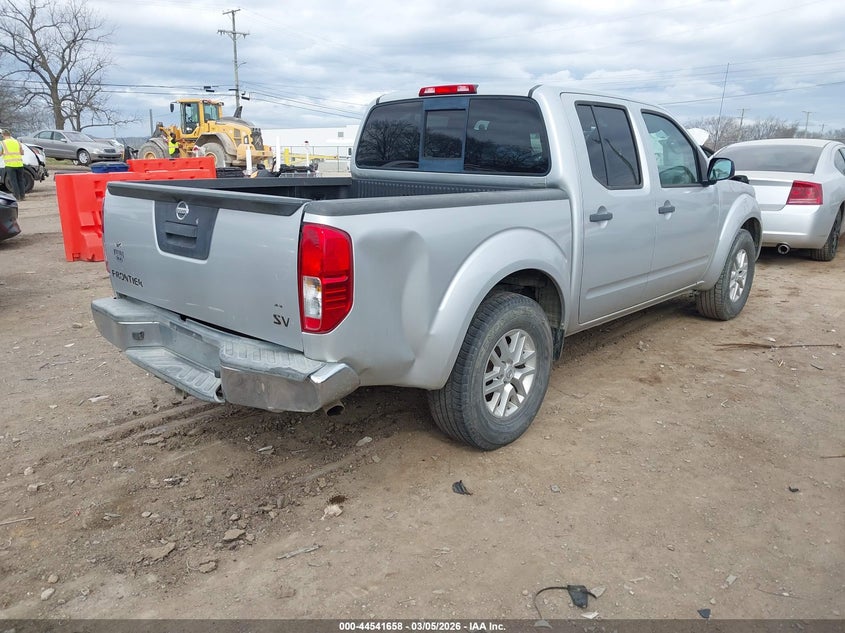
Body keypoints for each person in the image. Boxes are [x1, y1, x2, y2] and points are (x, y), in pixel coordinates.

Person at [0, 129, 27, 201]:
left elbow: (0, 153)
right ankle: (23, 196)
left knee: (13, 181)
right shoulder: (17, 142)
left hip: (10, 165)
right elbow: (22, 153)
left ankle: (16, 196)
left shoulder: (2, 143)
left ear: (3, 135)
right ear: (10, 134)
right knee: (20, 180)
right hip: (19, 164)